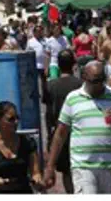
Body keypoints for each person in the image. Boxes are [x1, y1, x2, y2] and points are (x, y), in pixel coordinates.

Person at [44, 60, 111, 194]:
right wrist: (50, 167)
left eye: (102, 80)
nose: (99, 85)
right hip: (83, 166)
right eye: (95, 81)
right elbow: (60, 133)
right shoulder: (73, 98)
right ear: (84, 77)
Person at [0, 101, 42, 194]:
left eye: (17, 118)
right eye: (11, 119)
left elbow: (35, 172)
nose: (15, 122)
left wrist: (37, 179)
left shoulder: (28, 143)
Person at [46, 50, 83, 194]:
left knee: (66, 172)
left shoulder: (51, 85)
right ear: (74, 65)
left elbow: (48, 114)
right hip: (78, 131)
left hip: (60, 132)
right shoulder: (81, 84)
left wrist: (51, 135)